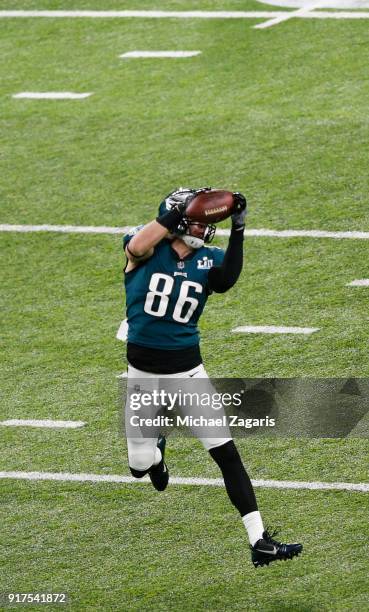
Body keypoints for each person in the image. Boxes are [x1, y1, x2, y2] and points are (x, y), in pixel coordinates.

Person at [122, 187, 303, 568]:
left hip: (188, 373)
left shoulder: (208, 260)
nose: (206, 228)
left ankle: (260, 540)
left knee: (226, 454)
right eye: (200, 221)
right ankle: (156, 448)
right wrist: (173, 215)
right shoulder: (145, 249)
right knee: (139, 467)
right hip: (142, 375)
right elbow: (138, 245)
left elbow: (227, 280)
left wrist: (239, 227)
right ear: (178, 221)